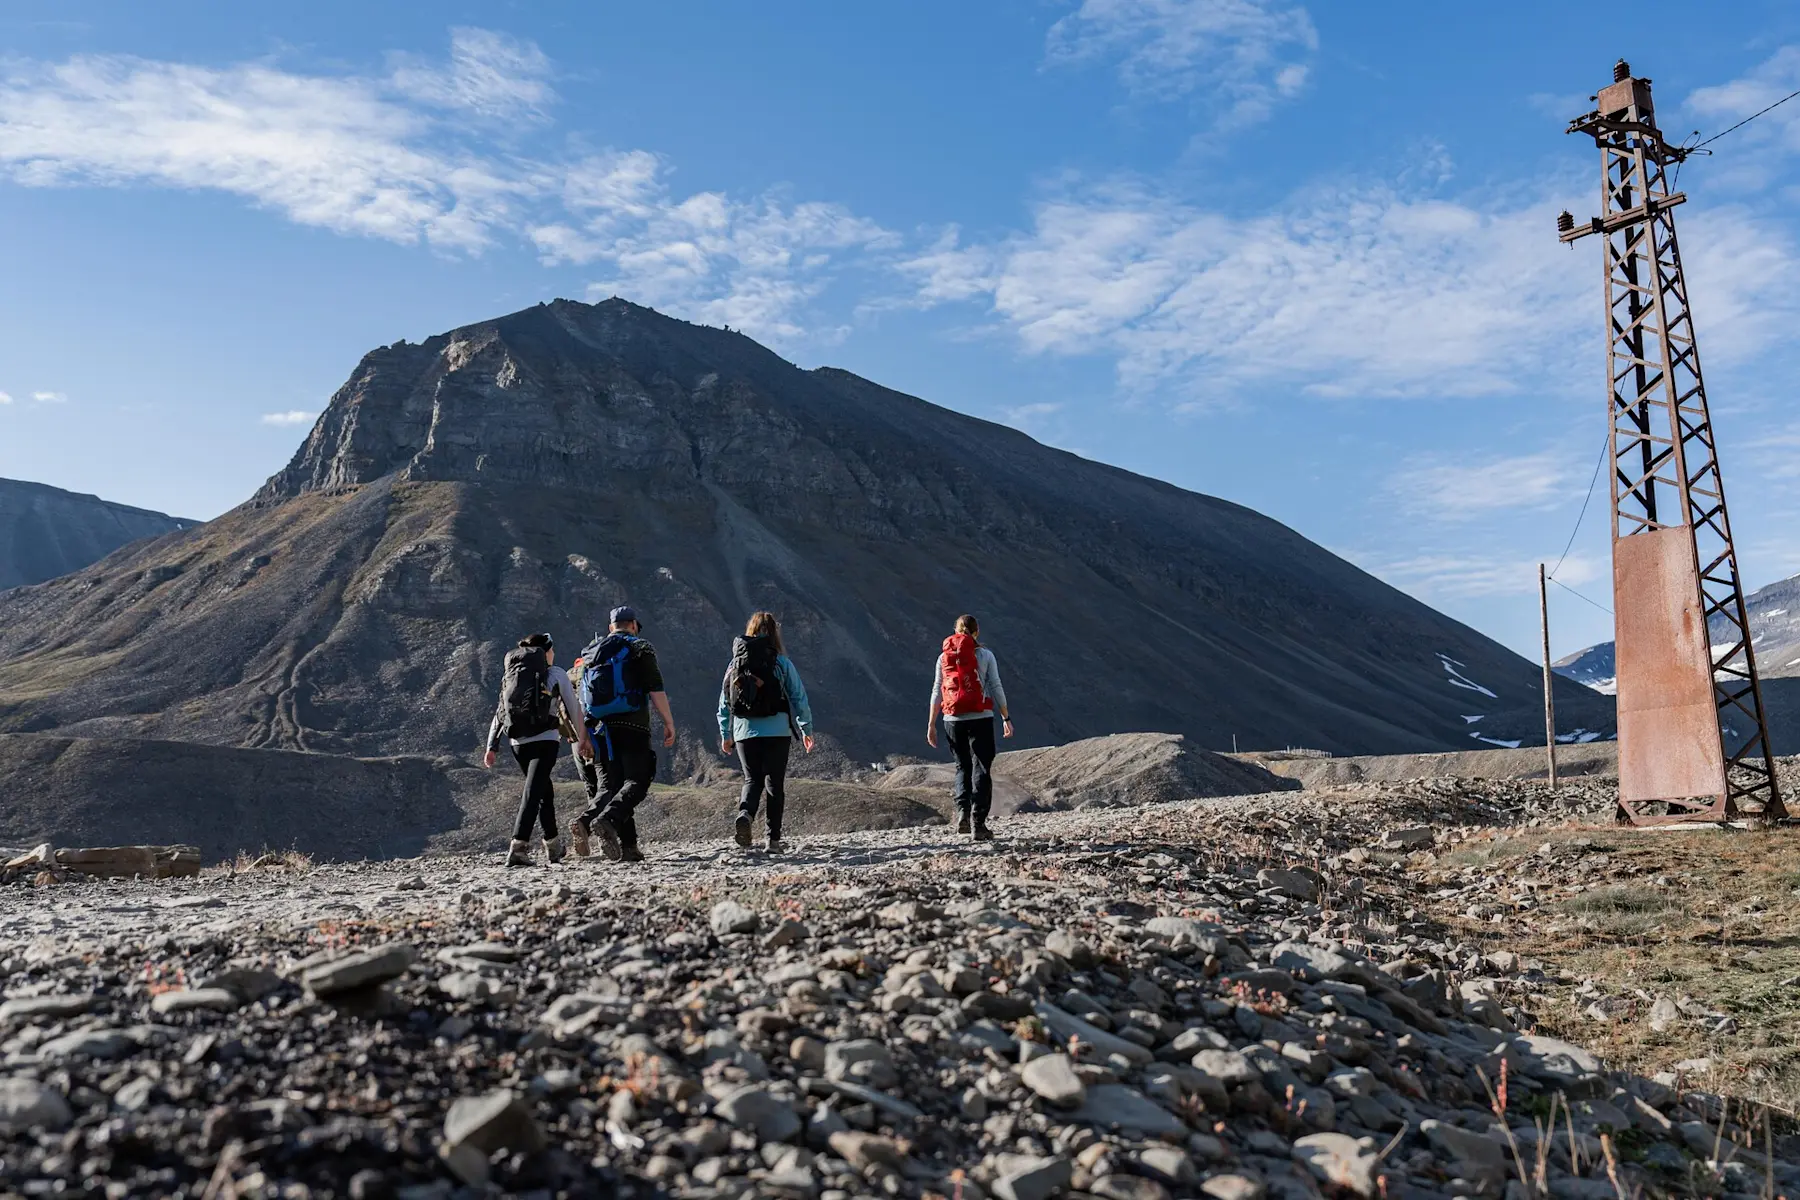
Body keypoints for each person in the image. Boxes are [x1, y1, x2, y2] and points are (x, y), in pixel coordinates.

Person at [568, 606, 675, 863]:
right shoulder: (640, 648)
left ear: (610, 627)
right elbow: (655, 689)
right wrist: (669, 722)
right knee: (637, 780)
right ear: (634, 625)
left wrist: (582, 737)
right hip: (633, 725)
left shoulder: (593, 653)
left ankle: (601, 830)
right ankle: (607, 820)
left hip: (599, 728)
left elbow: (583, 701)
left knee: (610, 787)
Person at [484, 633, 594, 866]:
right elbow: (573, 708)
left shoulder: (511, 676)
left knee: (544, 791)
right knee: (533, 792)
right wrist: (583, 738)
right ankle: (518, 845)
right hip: (545, 740)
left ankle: (553, 845)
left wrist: (491, 746)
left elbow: (499, 713)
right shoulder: (555, 673)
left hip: (517, 743)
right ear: (546, 652)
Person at [717, 612, 816, 853]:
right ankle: (772, 841)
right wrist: (806, 729)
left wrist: (725, 733)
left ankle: (745, 814)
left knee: (752, 780)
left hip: (744, 732)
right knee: (774, 783)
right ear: (774, 633)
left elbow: (724, 700)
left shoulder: (735, 664)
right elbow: (798, 697)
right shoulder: (781, 662)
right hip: (777, 731)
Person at [925, 614, 1013, 841]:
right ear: (977, 632)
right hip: (981, 718)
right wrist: (1006, 717)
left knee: (961, 767)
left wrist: (931, 723)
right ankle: (978, 824)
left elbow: (937, 690)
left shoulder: (943, 658)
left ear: (955, 631)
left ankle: (962, 814)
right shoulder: (985, 655)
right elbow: (995, 685)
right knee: (981, 768)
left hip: (952, 719)